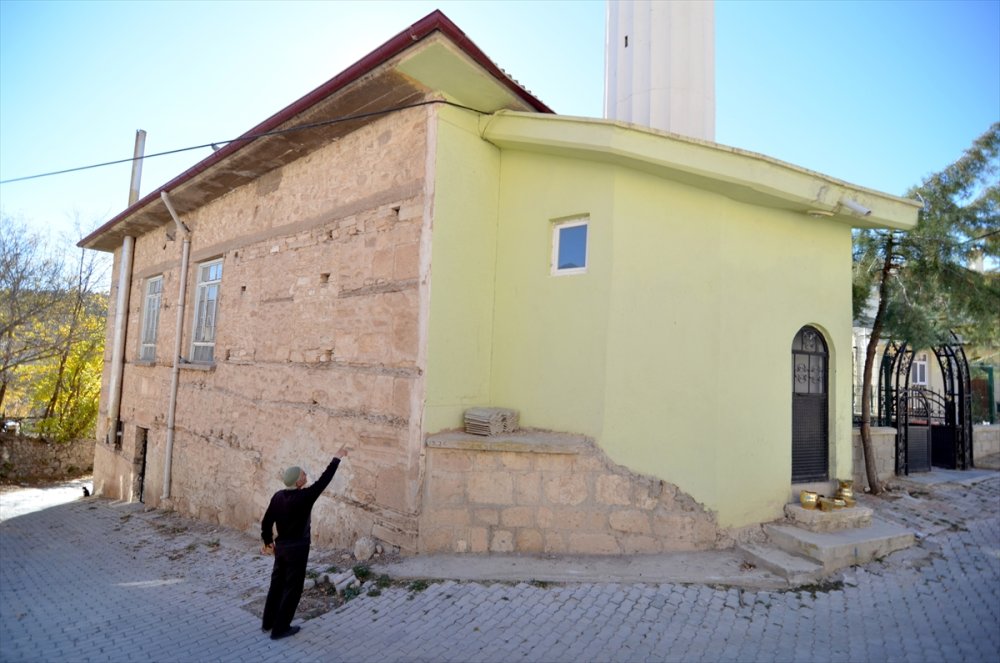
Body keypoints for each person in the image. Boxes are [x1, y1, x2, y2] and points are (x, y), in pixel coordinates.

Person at [260, 445, 348, 640]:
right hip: (298, 550)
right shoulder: (305, 497)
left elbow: (266, 523)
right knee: (293, 588)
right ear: (298, 481)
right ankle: (280, 629)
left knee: (277, 585)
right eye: (302, 473)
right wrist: (337, 458)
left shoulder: (277, 497)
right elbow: (324, 480)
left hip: (281, 549)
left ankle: (268, 622)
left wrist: (268, 543)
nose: (305, 474)